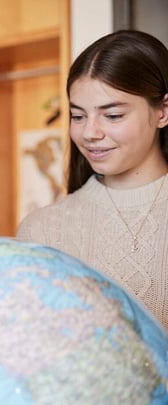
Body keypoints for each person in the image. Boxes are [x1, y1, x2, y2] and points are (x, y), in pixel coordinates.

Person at [17, 30, 168, 330]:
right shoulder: (43, 231)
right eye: (78, 116)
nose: (89, 133)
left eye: (112, 116)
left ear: (163, 111)